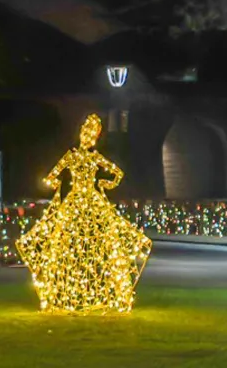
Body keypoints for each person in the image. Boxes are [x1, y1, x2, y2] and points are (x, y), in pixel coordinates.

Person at [16, 113, 152, 313]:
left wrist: (58, 184)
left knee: (81, 245)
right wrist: (106, 184)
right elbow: (117, 174)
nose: (87, 136)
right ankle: (81, 293)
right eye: (86, 132)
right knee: (85, 245)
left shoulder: (77, 156)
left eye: (91, 133)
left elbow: (52, 177)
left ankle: (71, 294)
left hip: (79, 200)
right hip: (86, 200)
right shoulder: (82, 157)